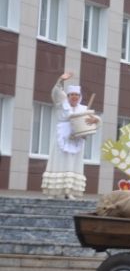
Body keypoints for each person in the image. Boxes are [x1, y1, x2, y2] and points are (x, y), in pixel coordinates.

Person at [42, 71, 99, 199]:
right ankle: (53, 192)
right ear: (68, 96)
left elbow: (94, 120)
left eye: (76, 95)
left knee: (72, 164)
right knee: (58, 161)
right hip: (62, 137)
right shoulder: (61, 104)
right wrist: (60, 81)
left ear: (79, 97)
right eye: (72, 94)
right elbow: (56, 92)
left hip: (77, 139)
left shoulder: (83, 109)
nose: (74, 97)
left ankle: (70, 191)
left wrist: (95, 121)